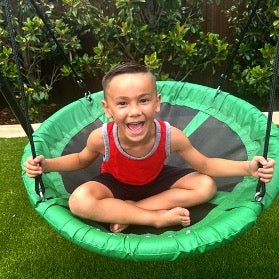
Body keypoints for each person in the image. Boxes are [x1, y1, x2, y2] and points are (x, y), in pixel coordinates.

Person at [24, 62, 276, 233]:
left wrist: (247, 167)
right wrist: (46, 165)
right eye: (122, 103)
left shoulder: (170, 136)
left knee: (206, 185)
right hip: (114, 182)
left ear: (156, 103)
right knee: (79, 201)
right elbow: (80, 160)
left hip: (157, 180)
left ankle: (130, 212)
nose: (134, 111)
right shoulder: (101, 138)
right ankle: (153, 217)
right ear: (107, 109)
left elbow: (206, 165)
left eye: (143, 100)